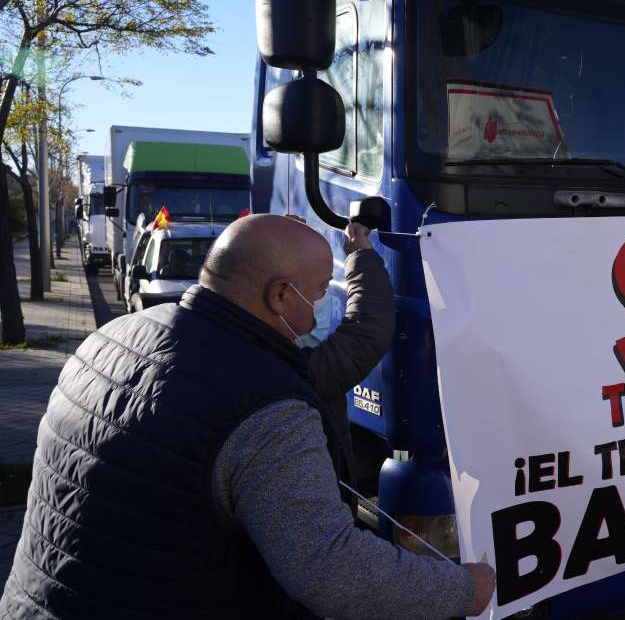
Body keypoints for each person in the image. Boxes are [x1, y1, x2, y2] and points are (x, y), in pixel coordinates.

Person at [1, 214, 495, 619]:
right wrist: (460, 589)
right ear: (280, 296)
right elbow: (332, 569)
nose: (318, 309)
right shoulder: (266, 405)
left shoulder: (109, 338)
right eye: (320, 293)